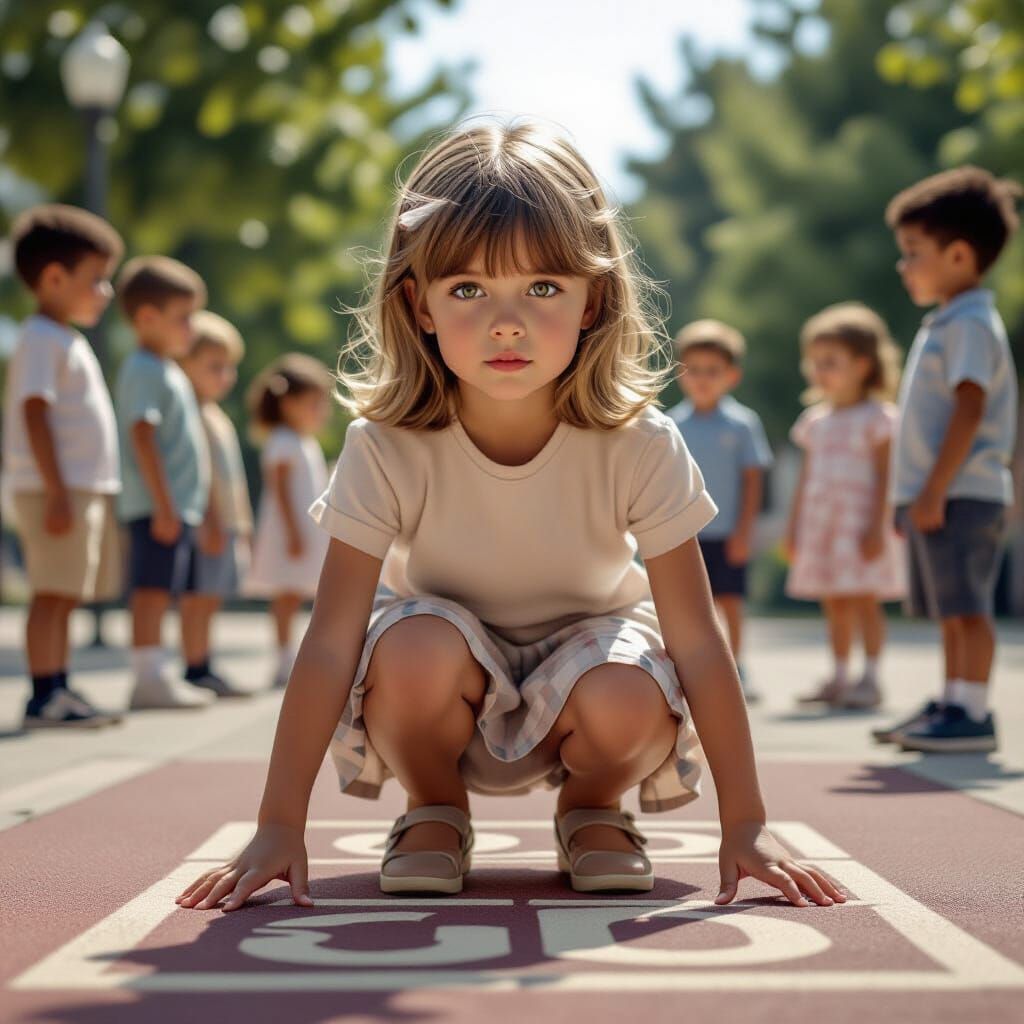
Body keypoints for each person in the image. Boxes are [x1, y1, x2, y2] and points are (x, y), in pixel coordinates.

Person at [177, 118, 845, 910]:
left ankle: (593, 809)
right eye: (467, 289)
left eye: (542, 288)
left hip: (595, 686)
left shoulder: (641, 442)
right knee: (413, 644)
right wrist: (278, 823)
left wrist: (749, 824)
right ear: (417, 306)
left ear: (594, 300)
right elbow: (327, 643)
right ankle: (433, 807)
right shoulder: (385, 444)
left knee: (625, 690)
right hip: (437, 687)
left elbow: (698, 642)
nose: (506, 322)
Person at [874, 166, 1020, 754]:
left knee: (969, 607)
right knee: (950, 609)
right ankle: (954, 700)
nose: (903, 265)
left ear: (959, 255)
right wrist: (911, 495)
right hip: (941, 494)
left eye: (913, 252)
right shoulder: (948, 322)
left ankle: (975, 712)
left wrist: (934, 488)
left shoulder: (971, 325)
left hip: (965, 492)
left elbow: (969, 408)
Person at [2, 204, 124, 728]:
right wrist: (55, 489)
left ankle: (58, 684)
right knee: (51, 594)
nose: (106, 292)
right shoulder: (39, 339)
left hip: (75, 489)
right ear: (53, 277)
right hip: (56, 490)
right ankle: (41, 694)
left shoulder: (65, 338)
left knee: (65, 592)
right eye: (96, 279)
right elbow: (34, 410)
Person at [785, 303, 907, 711]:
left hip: (860, 526)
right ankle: (838, 676)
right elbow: (805, 481)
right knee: (833, 601)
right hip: (823, 525)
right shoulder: (814, 422)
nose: (820, 370)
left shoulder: (879, 418)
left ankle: (870, 678)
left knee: (863, 601)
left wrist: (878, 527)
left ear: (862, 364)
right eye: (815, 362)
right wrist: (794, 528)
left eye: (831, 362)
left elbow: (887, 478)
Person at [115, 255, 216, 709]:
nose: (191, 328)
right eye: (184, 317)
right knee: (152, 592)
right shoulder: (143, 368)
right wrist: (164, 504)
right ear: (147, 318)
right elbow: (141, 433)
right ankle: (147, 678)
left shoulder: (166, 369)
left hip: (174, 506)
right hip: (158, 507)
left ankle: (157, 671)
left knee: (165, 591)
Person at [666, 319, 773, 703]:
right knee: (688, 605)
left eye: (713, 371)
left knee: (729, 600)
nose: (703, 379)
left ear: (732, 376)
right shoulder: (670, 425)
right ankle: (687, 668)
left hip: (727, 531)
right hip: (684, 534)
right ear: (681, 373)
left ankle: (736, 666)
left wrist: (745, 531)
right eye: (694, 370)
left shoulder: (743, 424)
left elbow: (753, 479)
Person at [242, 353, 332, 689]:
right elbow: (278, 489)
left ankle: (298, 654)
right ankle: (283, 658)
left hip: (303, 530)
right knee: (286, 595)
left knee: (297, 593)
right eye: (313, 403)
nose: (320, 412)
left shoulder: (302, 442)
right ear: (289, 404)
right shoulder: (282, 442)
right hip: (289, 530)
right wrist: (293, 530)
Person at [177, 310, 254, 697]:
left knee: (211, 596)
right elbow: (201, 473)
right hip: (208, 519)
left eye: (229, 367)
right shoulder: (190, 414)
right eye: (215, 366)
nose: (226, 376)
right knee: (197, 596)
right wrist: (209, 519)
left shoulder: (216, 414)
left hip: (226, 520)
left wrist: (242, 523)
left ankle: (204, 660)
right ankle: (194, 665)